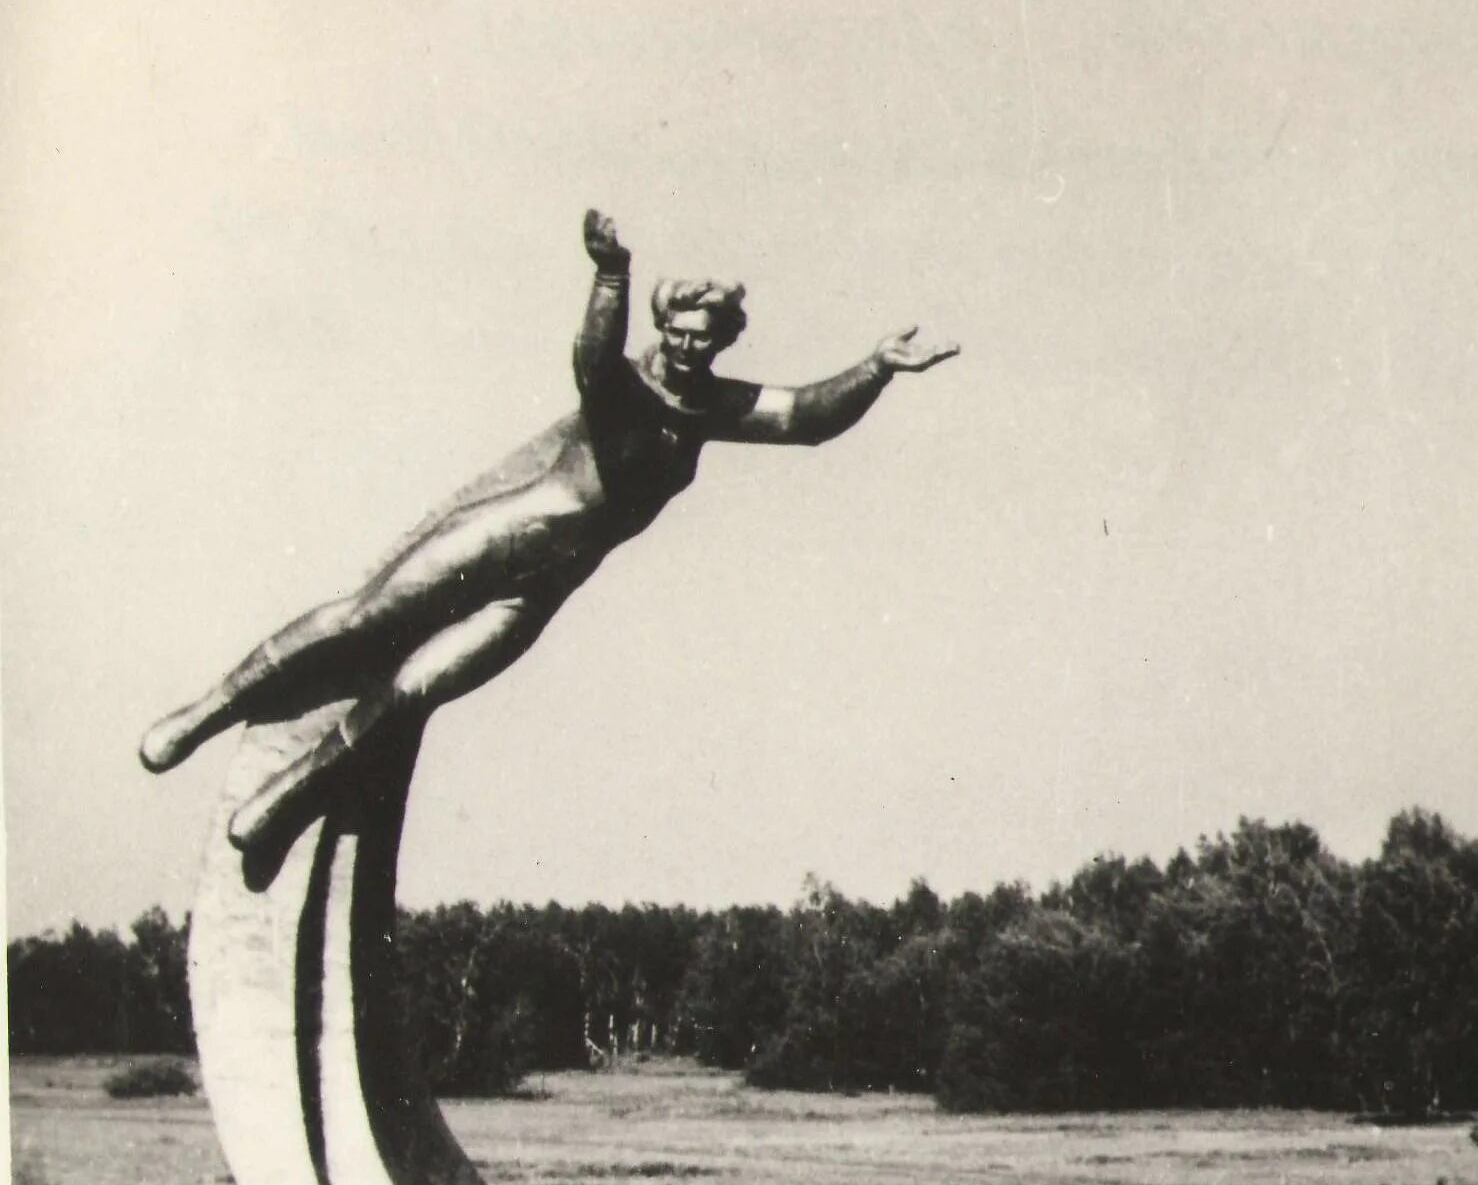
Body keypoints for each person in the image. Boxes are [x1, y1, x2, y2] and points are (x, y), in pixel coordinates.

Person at [140, 210, 959, 864]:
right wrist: (610, 275)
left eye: (708, 334)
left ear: (723, 338)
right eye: (681, 328)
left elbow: (808, 418)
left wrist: (877, 368)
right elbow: (590, 358)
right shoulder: (624, 389)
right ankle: (204, 713)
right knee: (364, 619)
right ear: (664, 324)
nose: (691, 343)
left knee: (419, 689)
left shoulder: (715, 411)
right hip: (504, 536)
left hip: (538, 590)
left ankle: (287, 796)